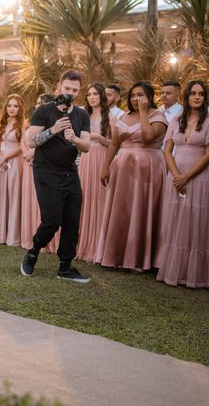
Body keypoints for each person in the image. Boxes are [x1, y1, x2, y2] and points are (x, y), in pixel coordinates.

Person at [20, 70, 91, 283]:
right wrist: (53, 130)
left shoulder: (81, 115)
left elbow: (86, 146)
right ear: (59, 87)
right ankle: (33, 251)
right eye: (67, 88)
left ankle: (65, 267)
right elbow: (31, 141)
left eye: (75, 90)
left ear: (79, 92)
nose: (70, 93)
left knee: (71, 220)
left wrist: (75, 140)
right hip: (45, 171)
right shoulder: (43, 111)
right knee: (52, 220)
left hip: (70, 173)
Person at [96, 81, 167, 271]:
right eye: (134, 95)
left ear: (150, 97)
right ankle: (116, 255)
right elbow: (114, 144)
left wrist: (144, 112)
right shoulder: (124, 117)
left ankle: (142, 258)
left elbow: (148, 136)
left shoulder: (158, 116)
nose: (137, 99)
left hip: (148, 169)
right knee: (122, 209)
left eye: (141, 95)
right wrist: (105, 166)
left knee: (143, 208)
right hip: (124, 168)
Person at [157, 80, 209, 287]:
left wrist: (186, 177)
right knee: (176, 220)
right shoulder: (177, 119)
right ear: (186, 97)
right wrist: (176, 175)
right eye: (193, 93)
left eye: (201, 94)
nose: (197, 97)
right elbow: (167, 150)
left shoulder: (208, 120)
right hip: (175, 176)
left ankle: (194, 274)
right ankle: (172, 270)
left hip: (199, 176)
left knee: (195, 222)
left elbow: (208, 154)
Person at [76, 83, 115, 262]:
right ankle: (83, 244)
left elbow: (115, 145)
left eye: (95, 94)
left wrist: (98, 137)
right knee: (86, 199)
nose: (92, 97)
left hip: (102, 159)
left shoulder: (112, 117)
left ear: (102, 97)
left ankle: (99, 247)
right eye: (89, 94)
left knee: (101, 200)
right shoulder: (84, 116)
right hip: (86, 158)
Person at [20, 94, 55, 252]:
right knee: (29, 199)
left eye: (41, 103)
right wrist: (26, 154)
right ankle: (29, 236)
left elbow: (47, 142)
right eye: (37, 102)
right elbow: (24, 139)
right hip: (28, 166)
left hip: (42, 164)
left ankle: (44, 240)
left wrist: (32, 154)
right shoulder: (33, 122)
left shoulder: (52, 124)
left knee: (40, 202)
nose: (37, 105)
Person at [0, 94, 25, 246]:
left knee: (13, 195)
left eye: (15, 106)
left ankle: (12, 234)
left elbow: (21, 147)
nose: (12, 108)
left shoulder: (23, 124)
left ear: (20, 108)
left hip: (14, 164)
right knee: (1, 195)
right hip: (1, 163)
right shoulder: (2, 123)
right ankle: (0, 232)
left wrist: (5, 157)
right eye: (9, 105)